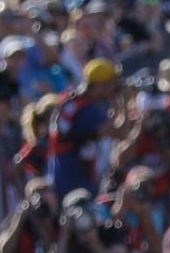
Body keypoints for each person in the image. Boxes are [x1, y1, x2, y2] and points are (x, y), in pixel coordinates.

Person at [47, 58, 120, 198]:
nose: (114, 88)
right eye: (110, 83)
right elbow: (120, 132)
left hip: (62, 171)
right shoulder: (87, 110)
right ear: (98, 86)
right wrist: (124, 104)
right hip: (75, 176)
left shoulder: (72, 99)